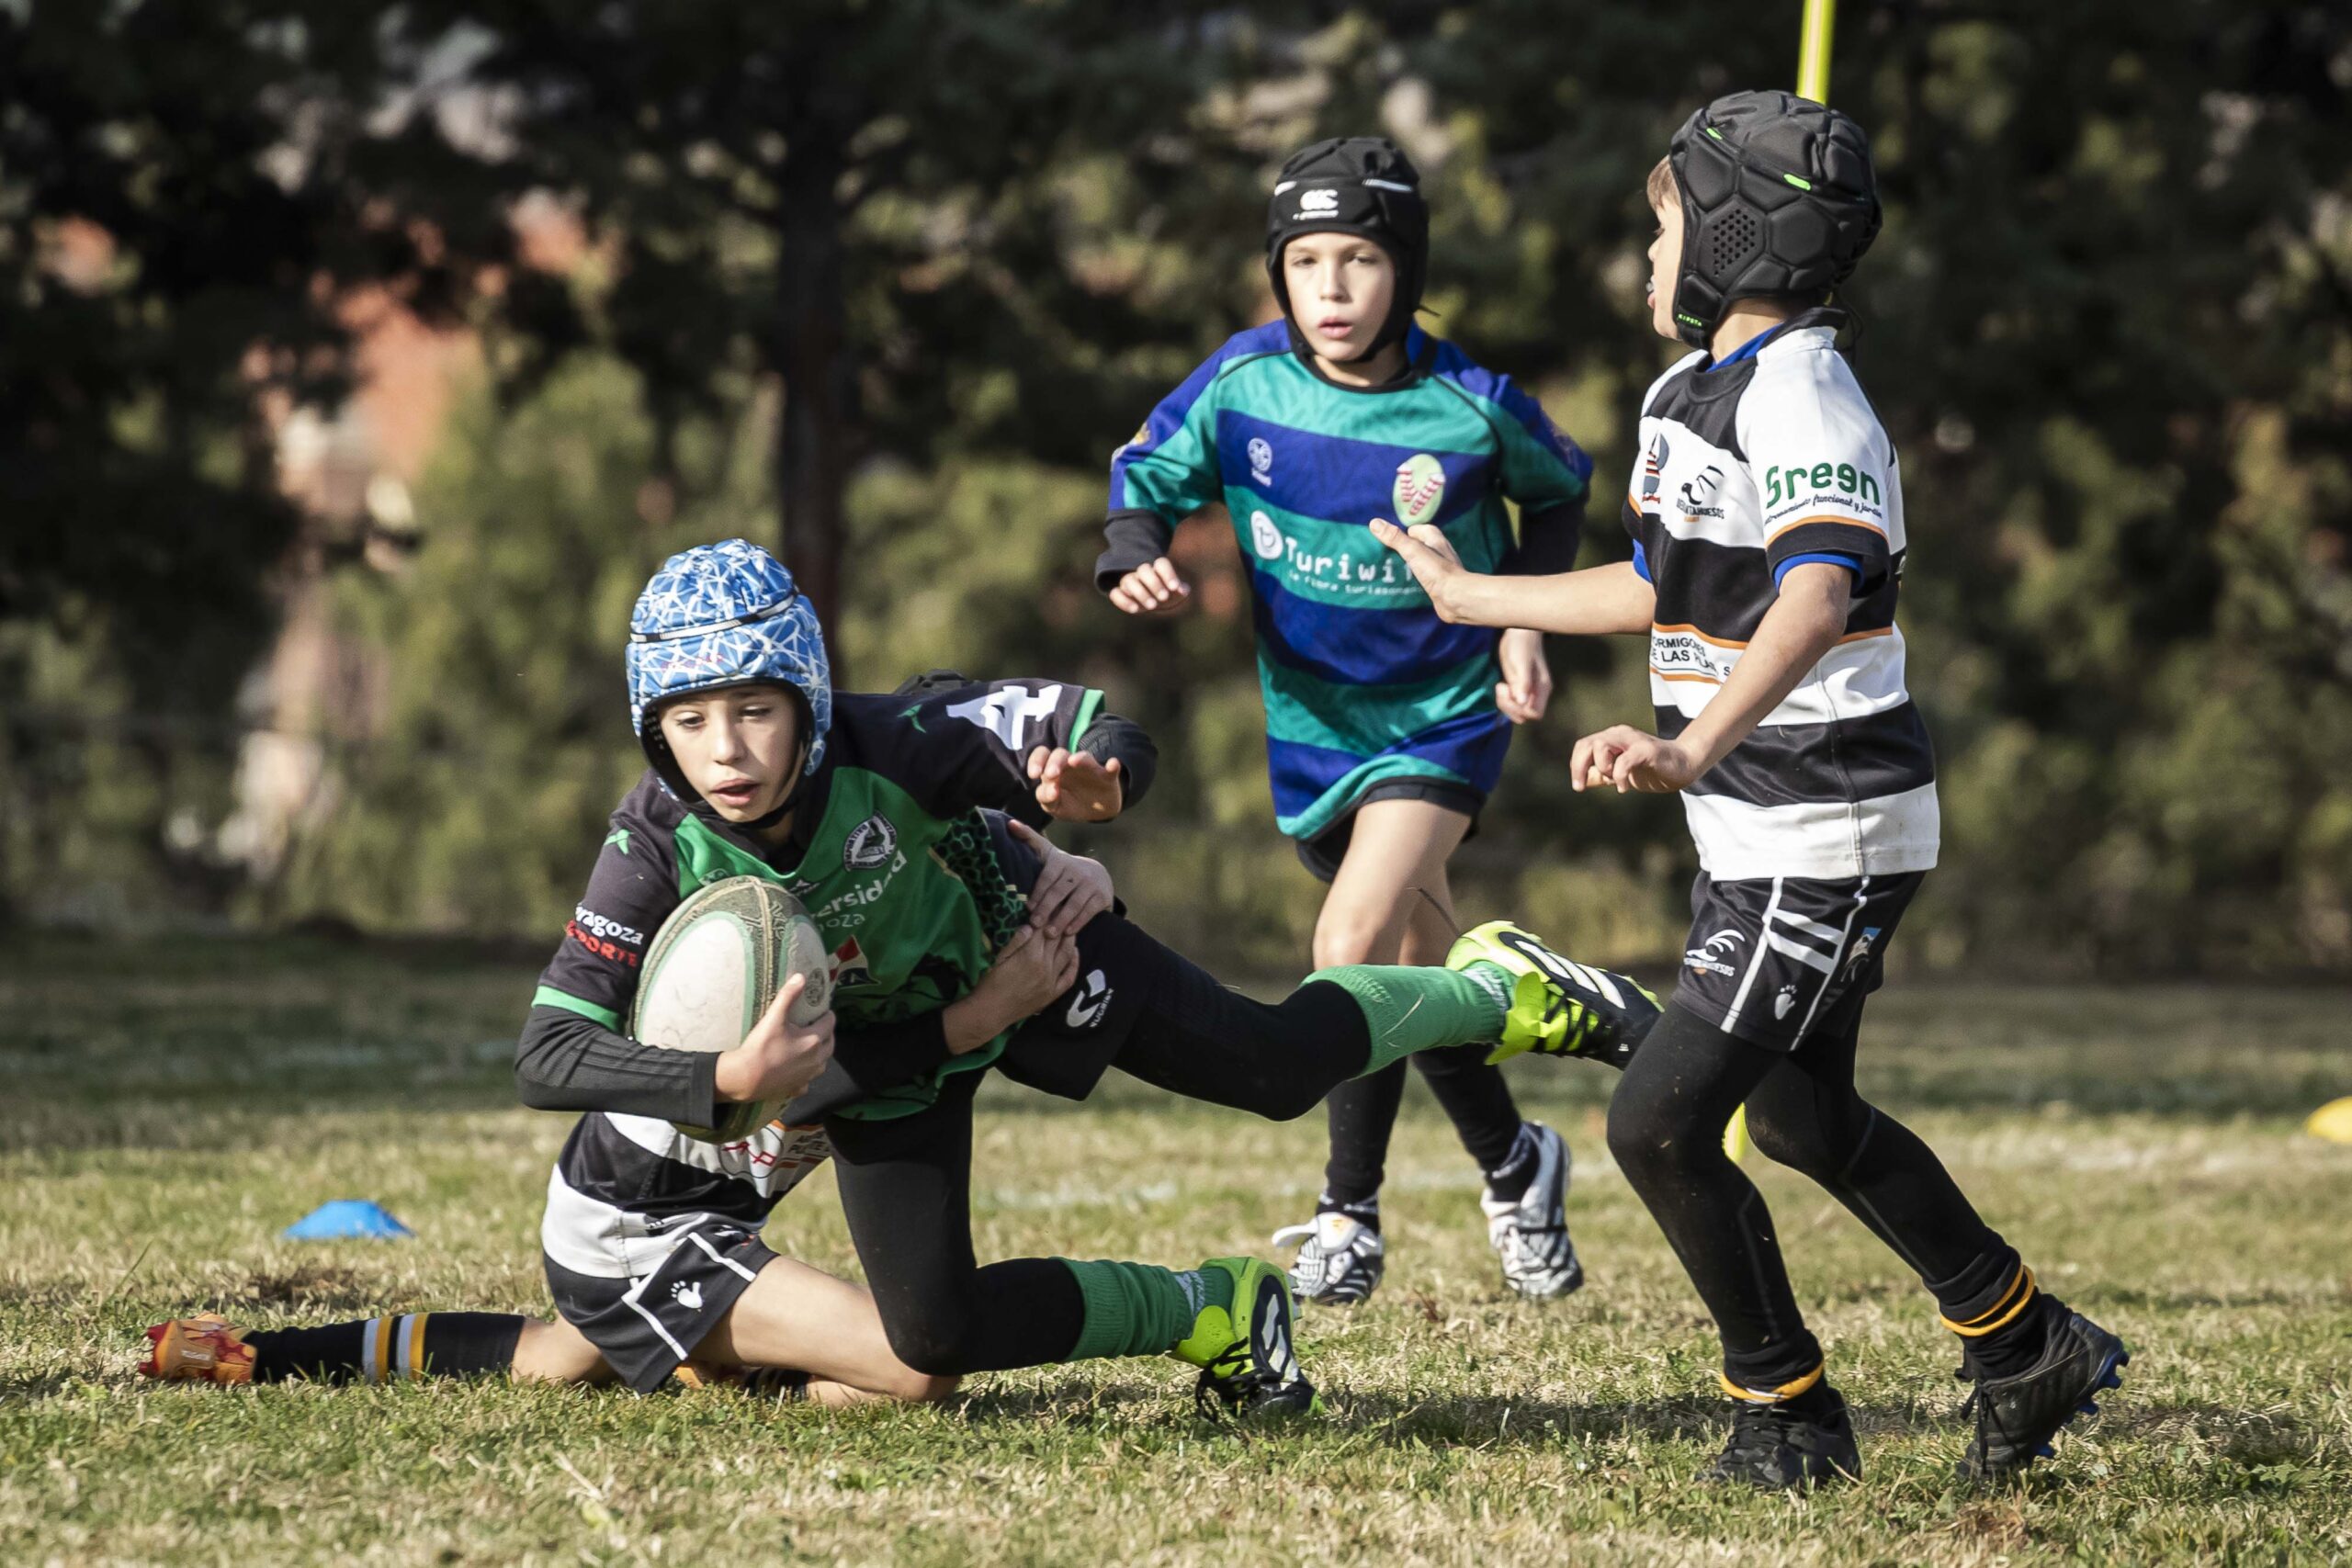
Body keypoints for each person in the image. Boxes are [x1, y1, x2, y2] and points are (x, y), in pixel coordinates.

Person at [150, 540, 1657, 1416]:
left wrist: (1082, 793)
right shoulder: (655, 844)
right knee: (927, 1342)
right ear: (651, 734)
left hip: (1028, 934)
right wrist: (733, 1081)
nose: (728, 748)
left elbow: (1092, 717)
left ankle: (1489, 987)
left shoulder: (902, 737)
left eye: (756, 708)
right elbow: (550, 1051)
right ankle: (1221, 1310)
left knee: (1270, 1067)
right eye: (691, 722)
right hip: (905, 1049)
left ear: (805, 698)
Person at [1368, 92, 2128, 1489]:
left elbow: (1816, 587)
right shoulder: (1684, 394)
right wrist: (1475, 594)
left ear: (1730, 235)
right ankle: (2027, 1343)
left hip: (1823, 828)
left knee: (1656, 1120)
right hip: (1762, 825)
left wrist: (1687, 743)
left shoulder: (1805, 390)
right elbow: (1663, 581)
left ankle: (1787, 1410)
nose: (1647, 258)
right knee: (1794, 1116)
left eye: (1660, 228)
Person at [1098, 136, 1598, 1306]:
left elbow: (1563, 488)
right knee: (1422, 971)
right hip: (1310, 728)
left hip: (1441, 717)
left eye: (1360, 259)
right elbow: (1145, 475)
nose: (1330, 288)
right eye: (1306, 260)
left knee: (1350, 949)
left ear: (1404, 269)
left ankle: (1348, 1213)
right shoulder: (1242, 385)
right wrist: (1133, 553)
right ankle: (1517, 1162)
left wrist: (1522, 622)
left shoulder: (1467, 406)